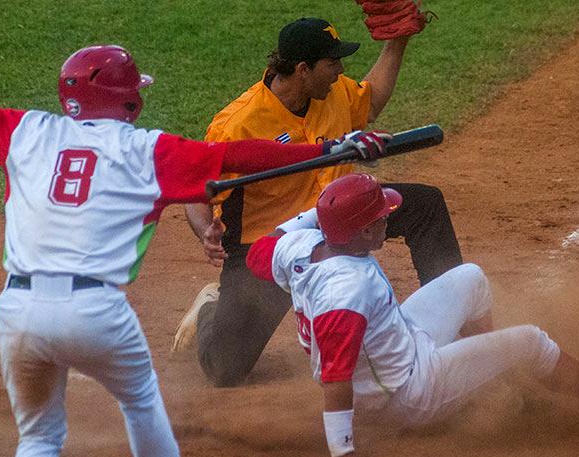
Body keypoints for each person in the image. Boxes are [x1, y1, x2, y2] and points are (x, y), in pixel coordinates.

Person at [0, 45, 389, 457]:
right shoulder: (147, 150)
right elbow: (238, 155)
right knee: (141, 406)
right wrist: (331, 150)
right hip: (96, 312)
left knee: (38, 437)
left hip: (18, 311)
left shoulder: (24, 130)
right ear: (128, 100)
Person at [174, 17, 463, 387]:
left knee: (425, 205)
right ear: (302, 69)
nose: (341, 71)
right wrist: (206, 234)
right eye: (332, 63)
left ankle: (453, 315)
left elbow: (370, 101)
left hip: (340, 218)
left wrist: (398, 42)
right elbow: (196, 189)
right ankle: (210, 308)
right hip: (269, 249)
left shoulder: (332, 91)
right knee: (226, 369)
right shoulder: (238, 124)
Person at [245, 173, 579, 456]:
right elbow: (335, 380)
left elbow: (260, 249)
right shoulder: (346, 292)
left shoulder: (300, 247)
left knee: (471, 279)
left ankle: (488, 384)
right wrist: (343, 451)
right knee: (532, 343)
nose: (389, 219)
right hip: (405, 395)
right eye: (381, 217)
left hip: (400, 347)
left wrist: (326, 211)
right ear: (364, 231)